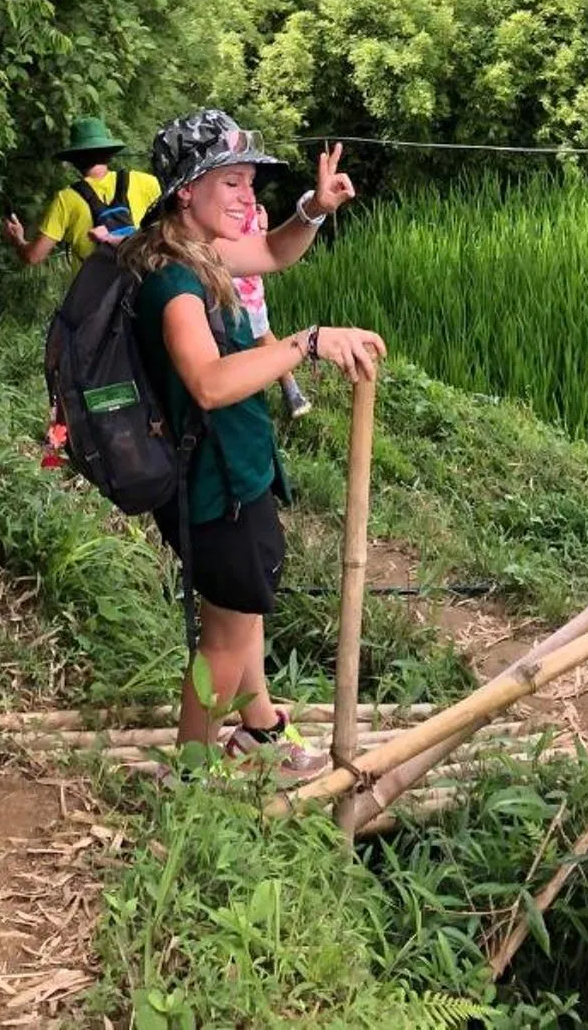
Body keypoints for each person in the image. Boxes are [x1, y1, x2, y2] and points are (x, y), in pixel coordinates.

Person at [121, 109, 382, 773]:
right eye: (231, 182)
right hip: (213, 484)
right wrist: (307, 343)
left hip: (232, 472)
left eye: (248, 182)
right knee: (223, 641)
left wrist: (314, 210)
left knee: (241, 610)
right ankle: (191, 776)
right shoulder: (175, 283)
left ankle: (259, 731)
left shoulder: (194, 251)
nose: (246, 196)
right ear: (187, 190)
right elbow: (209, 384)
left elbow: (271, 252)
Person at [4, 115, 159, 267]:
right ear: (109, 154)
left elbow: (33, 256)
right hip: (143, 279)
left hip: (95, 284)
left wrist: (17, 239)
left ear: (74, 160)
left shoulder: (66, 199)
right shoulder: (147, 182)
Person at [234, 195, 312, 423]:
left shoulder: (248, 206)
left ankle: (291, 391)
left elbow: (261, 245)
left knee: (262, 336)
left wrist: (262, 227)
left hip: (246, 291)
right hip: (225, 290)